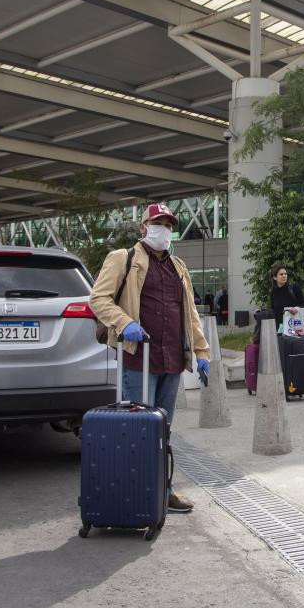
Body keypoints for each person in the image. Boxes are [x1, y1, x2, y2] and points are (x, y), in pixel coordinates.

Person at [89, 202, 211, 514]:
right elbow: (98, 299)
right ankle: (134, 493)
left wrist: (201, 351)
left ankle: (162, 490)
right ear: (144, 227)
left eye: (169, 224)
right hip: (139, 360)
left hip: (171, 360)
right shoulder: (124, 259)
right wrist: (124, 322)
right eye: (159, 223)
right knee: (138, 430)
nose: (164, 229)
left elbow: (190, 314)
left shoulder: (178, 267)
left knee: (163, 430)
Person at [269, 264, 304, 334]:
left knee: (293, 343)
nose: (284, 276)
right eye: (281, 274)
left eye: (285, 274)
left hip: (294, 327)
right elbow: (273, 310)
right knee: (281, 344)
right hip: (280, 329)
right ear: (275, 277)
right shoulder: (273, 292)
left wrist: (296, 308)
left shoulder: (294, 288)